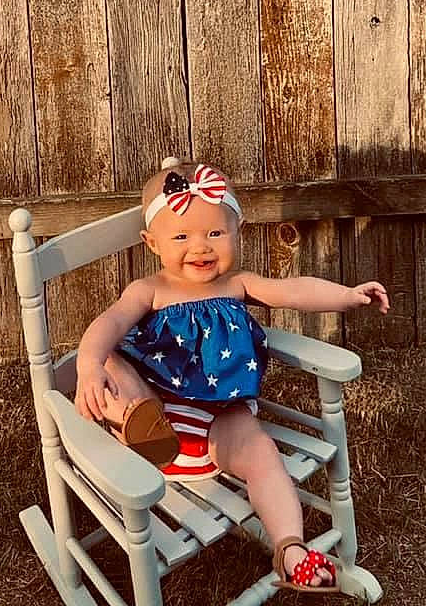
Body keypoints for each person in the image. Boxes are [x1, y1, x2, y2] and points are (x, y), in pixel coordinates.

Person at [75, 158, 389, 593]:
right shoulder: (149, 290)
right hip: (156, 415)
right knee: (116, 363)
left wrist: (347, 296)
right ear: (152, 243)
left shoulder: (238, 283)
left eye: (215, 233)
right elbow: (108, 324)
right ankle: (134, 425)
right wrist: (89, 364)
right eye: (182, 236)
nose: (200, 247)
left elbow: (293, 291)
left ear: (237, 231)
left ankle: (290, 548)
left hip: (221, 420)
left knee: (262, 454)